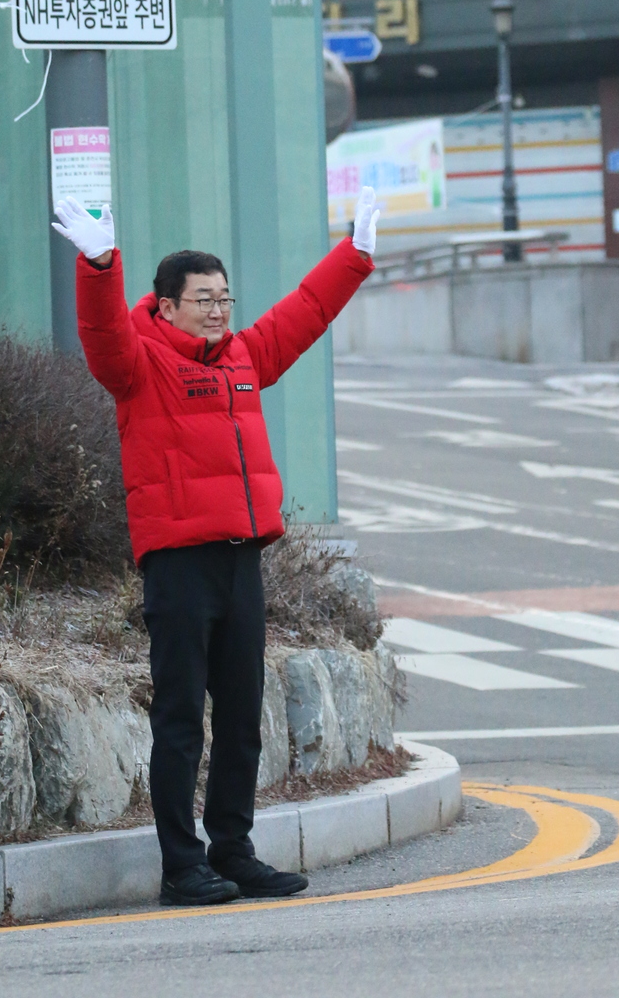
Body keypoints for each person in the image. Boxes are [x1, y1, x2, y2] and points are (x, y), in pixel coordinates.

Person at [51, 187, 380, 907]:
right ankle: (182, 866)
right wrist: (99, 264)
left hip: (241, 560)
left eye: (225, 298)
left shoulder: (241, 359)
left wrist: (353, 255)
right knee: (179, 721)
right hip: (178, 565)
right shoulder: (141, 365)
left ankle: (233, 850)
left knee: (239, 720)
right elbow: (103, 336)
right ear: (165, 305)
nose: (219, 310)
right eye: (204, 299)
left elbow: (303, 313)